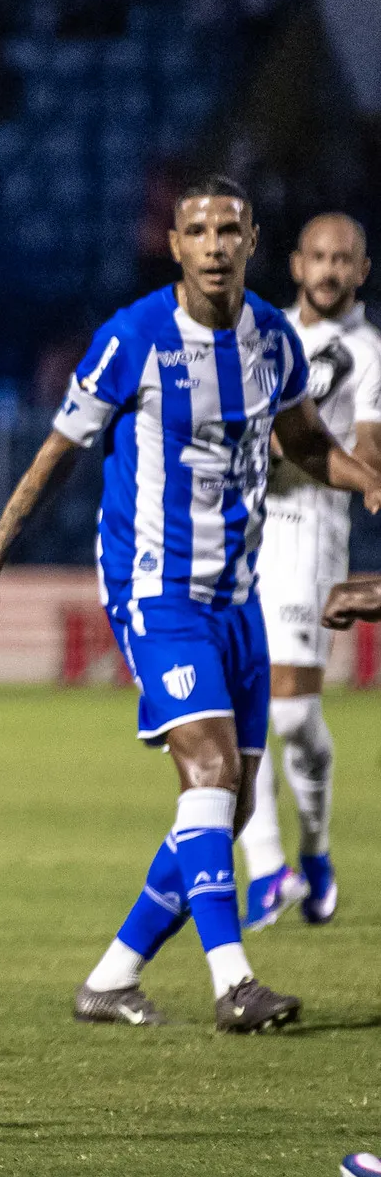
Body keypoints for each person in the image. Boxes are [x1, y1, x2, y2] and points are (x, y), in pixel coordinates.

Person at [0, 177, 381, 1032]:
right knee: (211, 771)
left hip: (240, 595)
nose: (216, 244)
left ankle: (111, 978)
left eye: (230, 228)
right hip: (154, 590)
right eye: (198, 230)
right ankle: (233, 983)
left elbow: (304, 442)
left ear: (252, 240)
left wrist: (366, 477)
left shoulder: (271, 338)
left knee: (220, 812)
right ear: (176, 245)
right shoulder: (133, 338)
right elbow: (54, 457)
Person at [237, 214, 380, 929]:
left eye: (342, 259)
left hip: (310, 537)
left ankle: (315, 848)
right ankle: (268, 871)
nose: (327, 269)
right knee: (238, 708)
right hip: (241, 536)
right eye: (316, 256)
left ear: (361, 270)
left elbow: (368, 447)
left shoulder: (369, 351)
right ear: (294, 264)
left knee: (291, 715)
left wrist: (348, 471)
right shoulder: (261, 337)